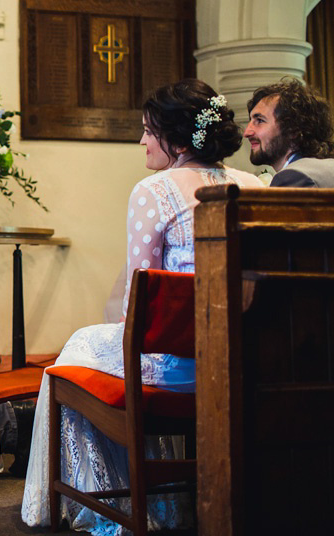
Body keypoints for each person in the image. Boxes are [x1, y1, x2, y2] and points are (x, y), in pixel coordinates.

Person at [20, 80, 262, 535]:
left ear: (176, 138)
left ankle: (106, 502)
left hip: (180, 366)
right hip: (241, 360)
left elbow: (140, 299)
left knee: (69, 357)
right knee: (87, 346)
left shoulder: (154, 189)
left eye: (148, 130)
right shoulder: (252, 184)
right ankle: (162, 497)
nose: (141, 141)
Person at [244, 78, 334, 187]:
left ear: (293, 130)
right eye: (250, 121)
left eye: (260, 121)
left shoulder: (294, 177)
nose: (247, 132)